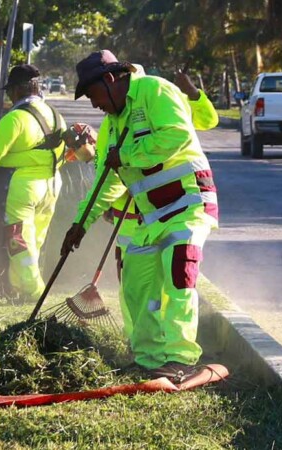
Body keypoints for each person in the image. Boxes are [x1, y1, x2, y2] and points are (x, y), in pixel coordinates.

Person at [61, 50, 219, 381]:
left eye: (93, 95)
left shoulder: (155, 90)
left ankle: (179, 358)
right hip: (150, 217)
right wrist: (81, 224)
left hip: (188, 204)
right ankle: (149, 358)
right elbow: (105, 180)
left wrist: (128, 154)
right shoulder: (110, 127)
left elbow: (176, 136)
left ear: (110, 79)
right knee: (136, 284)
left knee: (179, 272)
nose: (94, 106)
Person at [0, 64, 67, 301]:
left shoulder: (15, 118)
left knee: (18, 242)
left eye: (11, 91)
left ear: (19, 90)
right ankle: (15, 289)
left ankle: (35, 293)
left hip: (22, 187)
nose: (10, 96)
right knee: (35, 241)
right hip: (52, 186)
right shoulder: (55, 115)